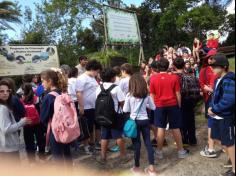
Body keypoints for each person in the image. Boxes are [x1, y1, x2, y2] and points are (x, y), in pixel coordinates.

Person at [150, 58, 189, 159]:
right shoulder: (174, 77)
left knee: (160, 128)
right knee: (175, 128)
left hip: (159, 106)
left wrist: (153, 106)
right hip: (173, 105)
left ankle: (159, 152)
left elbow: (152, 95)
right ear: (168, 66)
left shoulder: (153, 78)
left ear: (158, 67)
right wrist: (179, 105)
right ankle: (181, 151)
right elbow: (177, 93)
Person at [123, 74, 157, 176]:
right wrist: (145, 104)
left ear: (132, 84)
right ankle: (152, 169)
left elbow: (125, 110)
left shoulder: (129, 95)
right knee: (148, 143)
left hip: (134, 122)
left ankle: (137, 168)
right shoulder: (146, 95)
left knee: (137, 145)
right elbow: (153, 107)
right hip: (145, 120)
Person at [208, 54, 235, 176]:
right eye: (211, 66)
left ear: (223, 67)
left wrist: (215, 109)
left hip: (226, 116)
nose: (212, 68)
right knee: (220, 140)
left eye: (215, 66)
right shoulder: (219, 79)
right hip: (219, 116)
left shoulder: (228, 80)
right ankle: (232, 157)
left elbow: (229, 100)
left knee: (229, 142)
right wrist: (212, 107)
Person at [40, 68, 72, 164]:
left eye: (43, 81)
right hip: (66, 128)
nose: (42, 84)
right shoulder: (63, 92)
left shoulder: (48, 97)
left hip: (55, 130)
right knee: (67, 153)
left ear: (49, 81)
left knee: (58, 156)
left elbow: (43, 118)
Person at [95, 68, 127, 164]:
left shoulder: (98, 88)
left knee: (104, 136)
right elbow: (122, 103)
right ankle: (123, 156)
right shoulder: (116, 88)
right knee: (118, 136)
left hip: (102, 116)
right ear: (112, 78)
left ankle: (103, 157)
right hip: (115, 116)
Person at [76, 60, 103, 154]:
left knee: (97, 124)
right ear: (92, 69)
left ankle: (95, 142)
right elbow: (79, 93)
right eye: (97, 71)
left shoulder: (92, 77)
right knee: (87, 127)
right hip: (86, 107)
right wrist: (81, 106)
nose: (98, 73)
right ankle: (86, 145)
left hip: (95, 106)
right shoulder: (82, 78)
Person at [0, 79, 31, 160]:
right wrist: (21, 122)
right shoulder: (3, 108)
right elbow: (6, 129)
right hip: (8, 148)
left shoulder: (4, 105)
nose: (5, 93)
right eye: (2, 91)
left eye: (7, 91)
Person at [173, 58, 198, 146]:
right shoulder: (191, 76)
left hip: (180, 101)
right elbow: (197, 89)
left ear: (174, 66)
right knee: (191, 120)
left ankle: (184, 140)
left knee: (182, 121)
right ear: (184, 65)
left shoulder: (175, 77)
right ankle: (192, 140)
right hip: (191, 100)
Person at [199, 50, 219, 158]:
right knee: (212, 122)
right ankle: (212, 146)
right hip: (209, 98)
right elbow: (201, 83)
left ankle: (212, 148)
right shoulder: (204, 69)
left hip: (217, 99)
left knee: (215, 123)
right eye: (209, 58)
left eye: (213, 57)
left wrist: (211, 89)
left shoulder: (221, 70)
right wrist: (206, 89)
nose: (211, 60)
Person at [21, 83, 45, 162]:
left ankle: (32, 161)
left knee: (29, 142)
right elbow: (40, 109)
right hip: (38, 122)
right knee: (40, 140)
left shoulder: (21, 100)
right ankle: (42, 157)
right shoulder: (36, 98)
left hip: (27, 123)